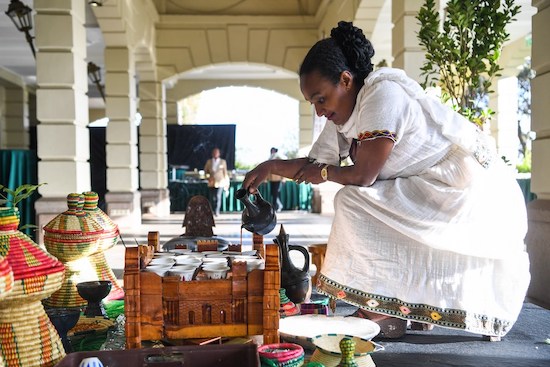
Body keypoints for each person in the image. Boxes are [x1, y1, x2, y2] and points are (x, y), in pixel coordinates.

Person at [242, 21, 530, 339]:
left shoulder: (382, 95)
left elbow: (364, 176)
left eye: (320, 99)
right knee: (358, 200)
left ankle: (380, 307)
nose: (319, 110)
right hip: (423, 186)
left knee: (353, 201)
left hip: (459, 191)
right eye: (312, 103)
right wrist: (269, 167)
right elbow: (315, 163)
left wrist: (323, 173)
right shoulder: (344, 113)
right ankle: (402, 306)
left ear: (346, 80)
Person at [204, 147, 229, 216]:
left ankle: (217, 211)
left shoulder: (223, 162)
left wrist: (227, 183)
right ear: (212, 154)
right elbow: (205, 172)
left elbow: (225, 173)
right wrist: (208, 178)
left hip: (220, 182)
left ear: (219, 154)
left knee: (218, 197)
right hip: (211, 182)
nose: (215, 154)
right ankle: (211, 211)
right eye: (214, 152)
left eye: (217, 152)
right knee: (212, 198)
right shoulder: (209, 161)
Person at [268, 147, 284, 212]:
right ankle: (279, 205)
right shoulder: (270, 158)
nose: (272, 152)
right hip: (271, 179)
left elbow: (283, 168)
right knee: (273, 193)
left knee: (275, 193)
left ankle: (275, 207)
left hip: (278, 178)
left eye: (273, 151)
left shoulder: (278, 158)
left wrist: (283, 179)